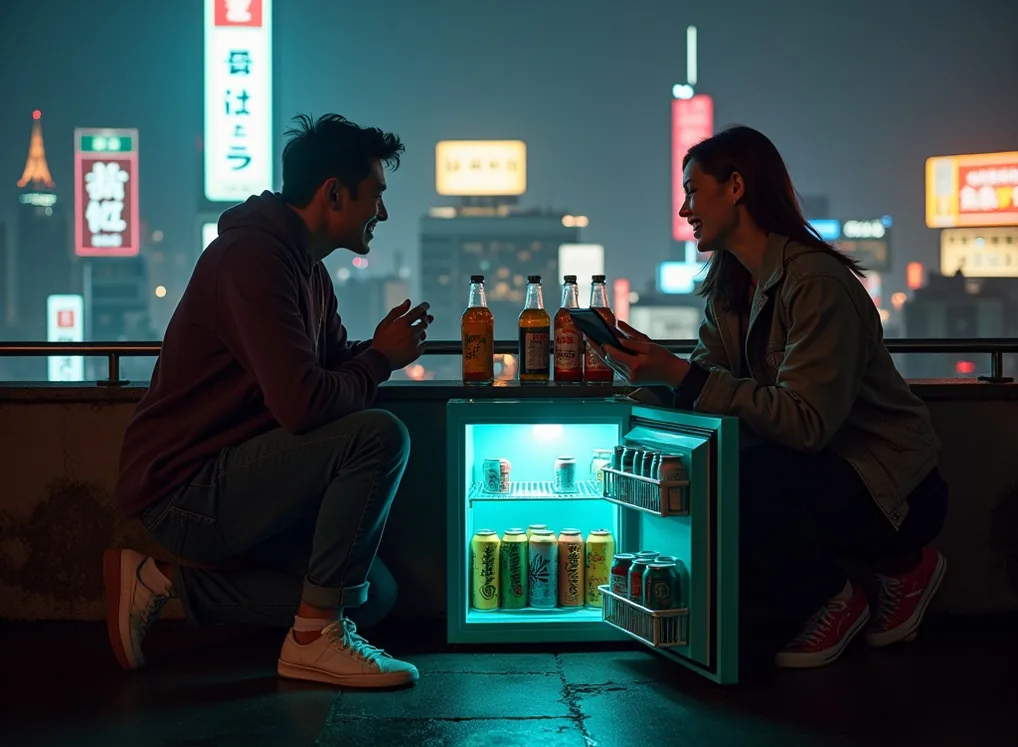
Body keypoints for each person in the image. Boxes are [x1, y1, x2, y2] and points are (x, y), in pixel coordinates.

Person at [592, 125, 948, 670]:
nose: (685, 210)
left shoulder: (816, 283)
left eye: (692, 191)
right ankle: (843, 588)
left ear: (736, 186)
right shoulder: (732, 285)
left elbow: (805, 423)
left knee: (743, 472)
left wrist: (680, 374)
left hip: (889, 487)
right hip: (824, 471)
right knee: (721, 466)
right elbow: (706, 376)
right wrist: (645, 372)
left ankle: (860, 588)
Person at [106, 114, 432, 689]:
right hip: (185, 489)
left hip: (238, 478)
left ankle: (159, 581)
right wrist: (380, 359)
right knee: (381, 435)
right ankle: (312, 640)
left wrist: (378, 349)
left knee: (373, 595)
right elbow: (303, 405)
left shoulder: (306, 268)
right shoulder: (252, 259)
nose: (382, 213)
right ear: (334, 193)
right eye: (376, 195)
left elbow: (329, 364)